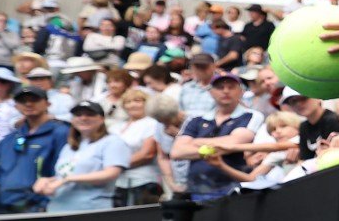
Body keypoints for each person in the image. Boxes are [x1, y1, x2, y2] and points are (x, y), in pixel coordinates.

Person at [0, 86, 69, 214]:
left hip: (38, 208)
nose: (28, 103)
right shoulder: (10, 139)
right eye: (22, 101)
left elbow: (65, 169)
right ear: (16, 106)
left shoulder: (61, 132)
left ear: (47, 103)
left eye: (34, 99)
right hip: (0, 207)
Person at [170, 71, 262, 203]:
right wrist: (222, 146)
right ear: (210, 92)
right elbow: (177, 152)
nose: (225, 91)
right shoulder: (196, 120)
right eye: (220, 87)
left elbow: (234, 142)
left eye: (231, 87)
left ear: (241, 91)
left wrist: (195, 141)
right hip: (198, 189)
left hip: (236, 188)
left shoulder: (251, 115)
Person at [36, 100, 129, 213]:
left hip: (90, 210)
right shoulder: (69, 147)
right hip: (57, 209)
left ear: (101, 119)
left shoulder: (112, 142)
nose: (83, 118)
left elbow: (111, 173)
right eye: (78, 115)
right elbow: (63, 175)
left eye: (90, 114)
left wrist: (68, 179)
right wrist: (46, 181)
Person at [112, 88, 164, 207]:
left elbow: (147, 154)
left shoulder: (151, 123)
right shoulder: (118, 126)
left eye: (137, 100)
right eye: (128, 102)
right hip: (119, 182)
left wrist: (115, 165)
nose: (132, 105)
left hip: (143, 182)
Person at [283, 89, 339, 161]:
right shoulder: (303, 127)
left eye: (303, 97)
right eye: (293, 102)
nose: (298, 104)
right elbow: (305, 159)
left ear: (317, 97)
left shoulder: (333, 120)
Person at [176, 52, 221, 119]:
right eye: (197, 67)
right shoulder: (186, 87)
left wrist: (187, 115)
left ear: (213, 67)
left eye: (204, 67)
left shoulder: (222, 87)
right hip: (185, 126)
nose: (200, 70)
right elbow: (179, 112)